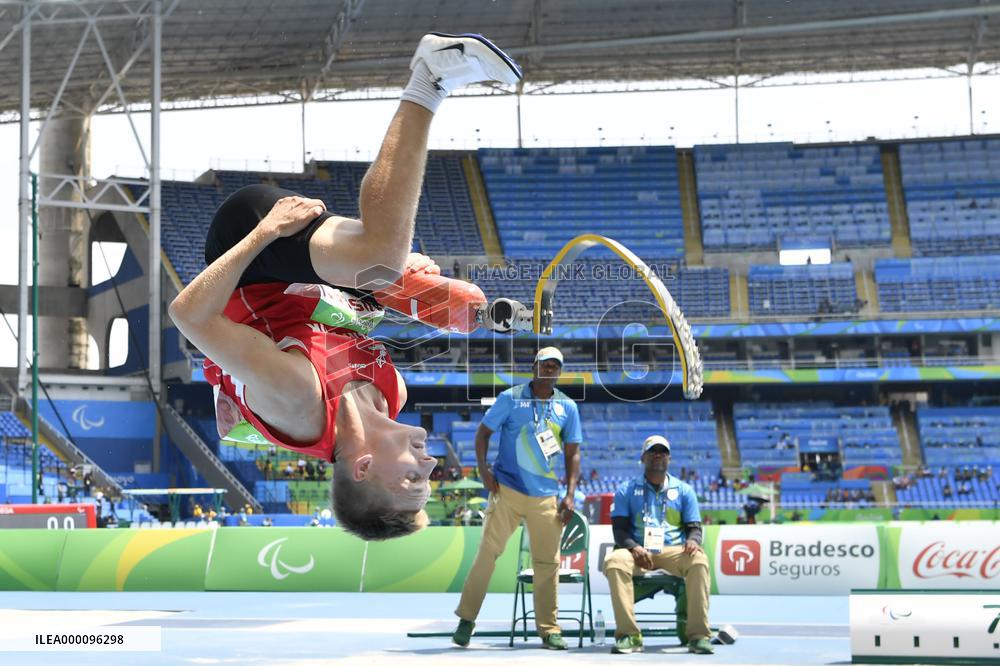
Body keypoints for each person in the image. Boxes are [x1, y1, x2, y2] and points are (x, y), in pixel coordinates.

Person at [169, 32, 522, 541]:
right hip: (306, 291)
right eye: (429, 478)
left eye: (412, 477)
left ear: (362, 468)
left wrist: (263, 233)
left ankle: (431, 75)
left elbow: (190, 316)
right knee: (424, 285)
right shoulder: (392, 392)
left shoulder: (298, 400)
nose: (430, 467)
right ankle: (388, 273)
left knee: (380, 257)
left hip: (248, 258)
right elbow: (330, 329)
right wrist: (385, 298)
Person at [451, 347, 583, 650]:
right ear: (533, 366)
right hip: (506, 491)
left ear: (559, 371)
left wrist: (571, 494)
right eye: (545, 364)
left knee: (547, 564)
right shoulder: (510, 398)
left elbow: (572, 452)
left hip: (546, 497)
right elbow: (482, 433)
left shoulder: (568, 407)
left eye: (555, 366)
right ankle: (466, 620)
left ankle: (549, 629)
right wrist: (484, 472)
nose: (549, 370)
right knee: (487, 555)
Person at [603, 435, 714, 655]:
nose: (658, 455)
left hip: (673, 550)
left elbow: (694, 528)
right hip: (637, 551)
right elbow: (619, 530)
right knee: (614, 561)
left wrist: (692, 541)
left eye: (662, 452)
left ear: (669, 458)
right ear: (643, 457)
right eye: (652, 451)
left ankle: (699, 636)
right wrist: (634, 547)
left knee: (699, 560)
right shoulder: (626, 489)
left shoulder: (684, 491)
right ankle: (629, 635)